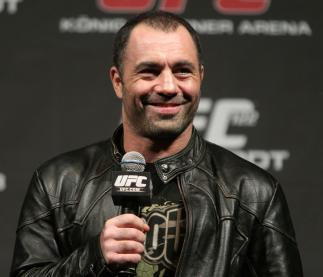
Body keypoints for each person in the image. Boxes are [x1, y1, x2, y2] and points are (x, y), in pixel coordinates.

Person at [10, 11, 303, 277]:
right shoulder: (57, 182)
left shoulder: (254, 192)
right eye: (149, 71)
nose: (167, 86)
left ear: (200, 77)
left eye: (182, 71)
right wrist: (94, 256)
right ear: (118, 81)